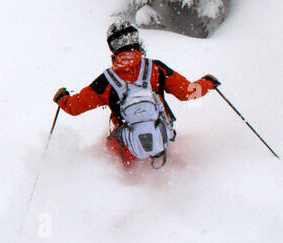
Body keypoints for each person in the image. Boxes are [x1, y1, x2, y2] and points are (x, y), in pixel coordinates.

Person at [53, 22, 219, 167]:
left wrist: (62, 99)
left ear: (113, 48)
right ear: (137, 41)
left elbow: (74, 108)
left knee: (124, 182)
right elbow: (188, 93)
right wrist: (207, 83)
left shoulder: (106, 80)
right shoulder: (156, 68)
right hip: (160, 140)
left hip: (127, 149)